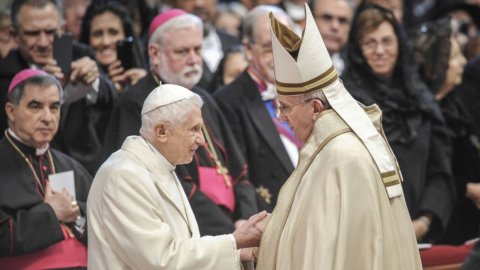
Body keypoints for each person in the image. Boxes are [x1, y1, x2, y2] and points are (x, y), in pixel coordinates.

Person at [256, 4, 421, 269]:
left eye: (285, 107)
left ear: (316, 108)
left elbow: (335, 255)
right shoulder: (333, 146)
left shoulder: (342, 156)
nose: (281, 117)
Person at [102, 9, 259, 236]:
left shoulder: (206, 100)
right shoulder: (139, 105)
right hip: (191, 235)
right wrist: (229, 235)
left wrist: (245, 218)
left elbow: (238, 171)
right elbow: (163, 184)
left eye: (197, 49)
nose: (194, 60)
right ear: (155, 54)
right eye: (182, 51)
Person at [88, 83, 268, 269]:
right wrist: (234, 242)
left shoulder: (162, 167)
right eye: (194, 129)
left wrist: (236, 255)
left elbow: (183, 249)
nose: (202, 140)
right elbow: (161, 260)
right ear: (162, 131)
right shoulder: (123, 175)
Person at [342, 3, 456, 242]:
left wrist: (424, 222)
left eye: (387, 41)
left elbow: (440, 171)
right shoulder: (344, 101)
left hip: (419, 233)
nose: (380, 50)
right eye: (370, 43)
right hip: (365, 234)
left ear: (399, 44)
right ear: (357, 49)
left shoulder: (419, 97)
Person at [0, 0, 117, 175]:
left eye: (50, 32)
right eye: (32, 33)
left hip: (85, 170)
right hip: (25, 174)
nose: (43, 42)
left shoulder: (81, 54)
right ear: (14, 34)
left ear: (63, 29)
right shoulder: (4, 73)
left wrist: (93, 81)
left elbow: (112, 97)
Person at [0, 69, 92, 269]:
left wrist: (77, 215)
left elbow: (104, 221)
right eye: (35, 106)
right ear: (11, 111)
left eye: (54, 107)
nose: (47, 117)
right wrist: (50, 213)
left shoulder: (72, 166)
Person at [214, 5, 297, 211]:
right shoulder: (227, 102)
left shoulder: (309, 90)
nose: (280, 56)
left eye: (286, 45)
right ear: (249, 50)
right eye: (269, 48)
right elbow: (240, 177)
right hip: (274, 214)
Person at [411, 17, 480, 245]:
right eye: (454, 56)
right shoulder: (417, 113)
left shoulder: (453, 105)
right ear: (437, 64)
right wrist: (469, 188)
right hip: (439, 225)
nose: (462, 62)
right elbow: (424, 173)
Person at [79, 2, 147, 93]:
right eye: (97, 34)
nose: (106, 42)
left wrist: (146, 86)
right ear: (87, 39)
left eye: (113, 32)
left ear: (126, 36)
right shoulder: (80, 84)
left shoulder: (145, 75)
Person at [309, 0, 354, 74]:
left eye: (342, 21)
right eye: (327, 18)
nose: (335, 26)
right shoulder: (289, 64)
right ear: (309, 19)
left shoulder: (356, 71)